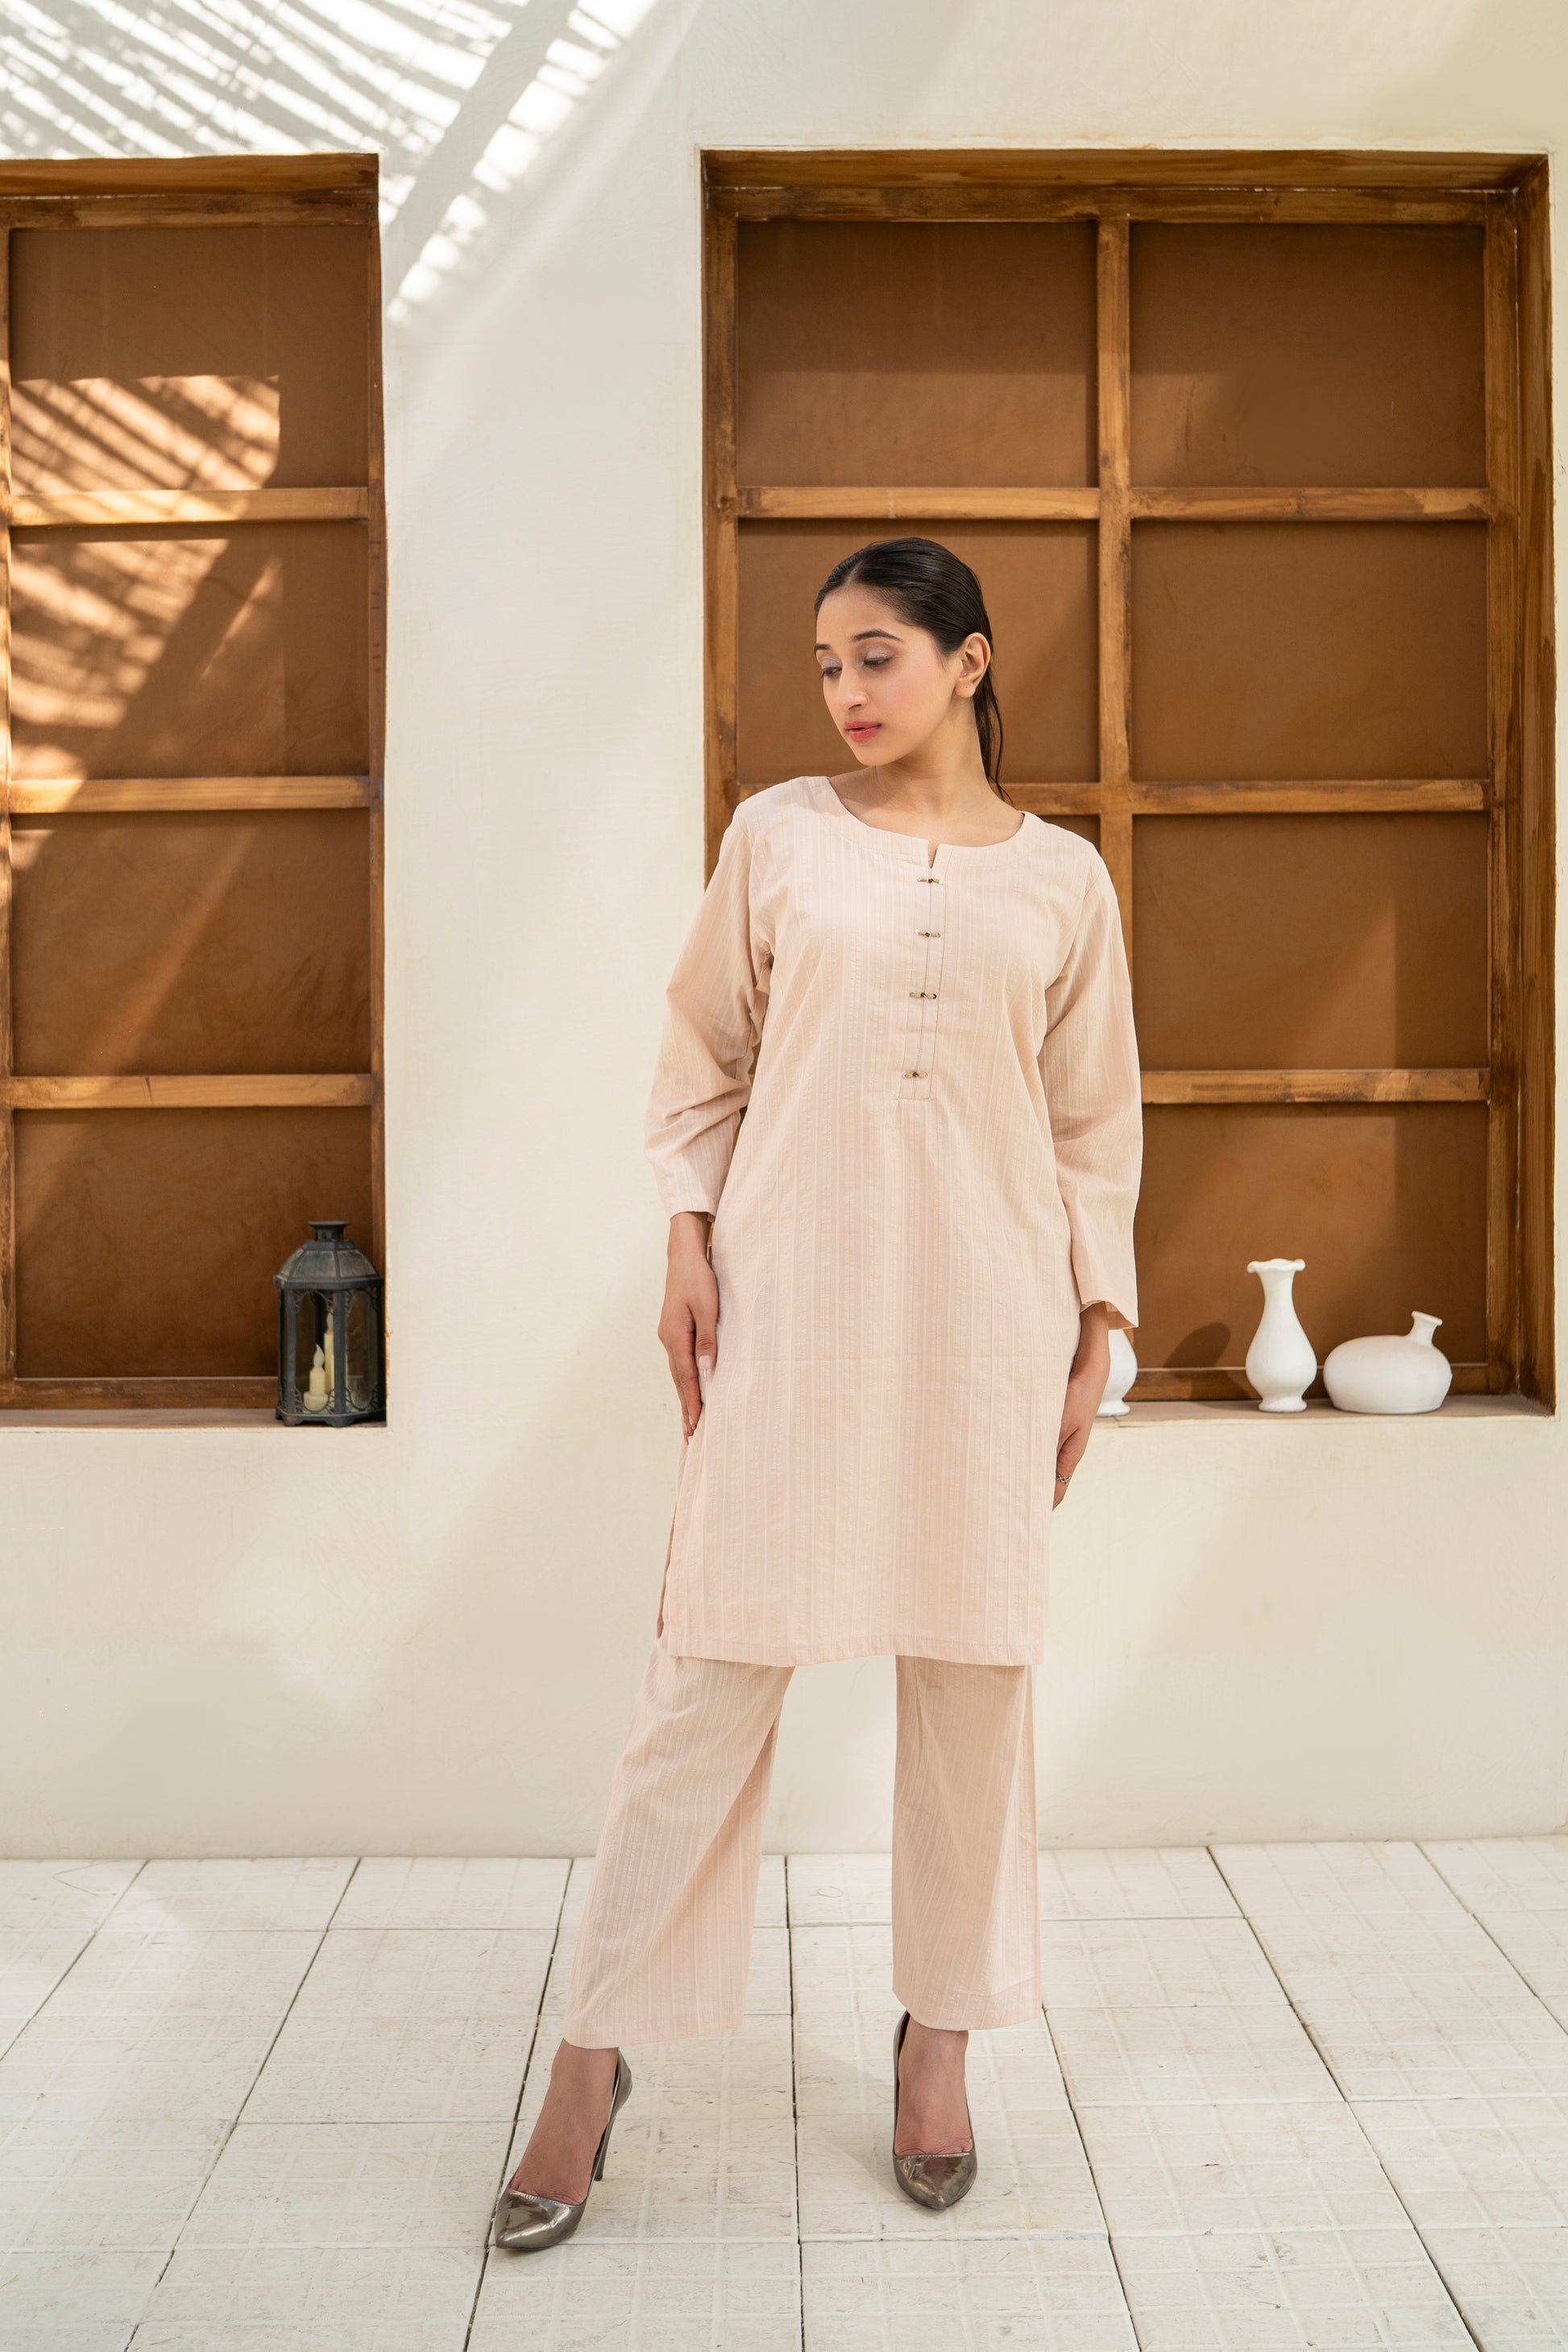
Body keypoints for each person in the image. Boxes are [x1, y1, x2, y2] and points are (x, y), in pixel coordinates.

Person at [492, 535, 1143, 2251]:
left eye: (878, 656)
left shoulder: (1063, 880)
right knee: (704, 1671)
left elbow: (1093, 1123)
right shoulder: (776, 836)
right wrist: (686, 1237)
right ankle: (591, 2056)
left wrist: (1100, 1322)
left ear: (969, 660)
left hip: (989, 1314)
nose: (847, 691)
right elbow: (701, 1057)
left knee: (976, 1679)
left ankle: (941, 2040)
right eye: (827, 665)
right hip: (791, 1298)